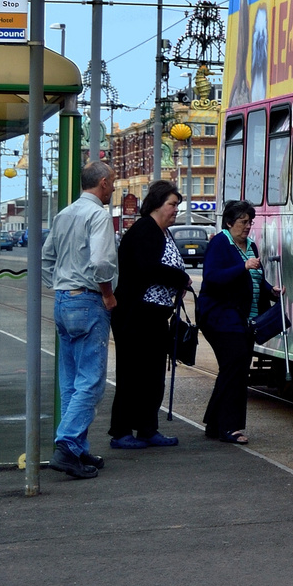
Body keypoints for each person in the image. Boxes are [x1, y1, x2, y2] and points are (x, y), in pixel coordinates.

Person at [41, 162, 117, 479]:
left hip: (63, 300)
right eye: (112, 182)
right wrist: (107, 293)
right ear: (102, 182)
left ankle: (78, 449)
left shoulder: (64, 214)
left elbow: (46, 258)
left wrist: (61, 285)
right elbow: (100, 261)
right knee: (91, 382)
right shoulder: (98, 214)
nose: (113, 187)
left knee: (72, 380)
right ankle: (68, 444)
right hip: (88, 300)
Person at [108, 180, 191, 449]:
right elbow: (148, 268)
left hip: (155, 315)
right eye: (172, 204)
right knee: (132, 374)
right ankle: (121, 432)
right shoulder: (145, 230)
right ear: (157, 204)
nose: (176, 209)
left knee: (153, 375)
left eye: (177, 204)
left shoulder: (163, 232)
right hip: (136, 315)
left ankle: (147, 428)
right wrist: (181, 277)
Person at [197, 200, 279, 444]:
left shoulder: (250, 245)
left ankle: (215, 423)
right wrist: (242, 266)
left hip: (243, 318)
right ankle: (229, 427)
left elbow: (255, 277)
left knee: (233, 368)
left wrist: (271, 291)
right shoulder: (220, 243)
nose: (247, 226)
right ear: (229, 222)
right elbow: (212, 278)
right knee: (236, 367)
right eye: (243, 222)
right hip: (220, 316)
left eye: (250, 222)